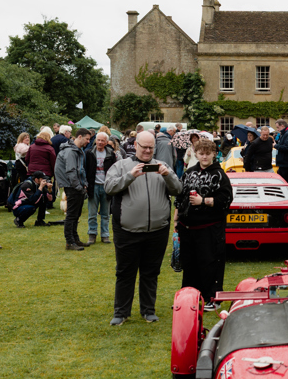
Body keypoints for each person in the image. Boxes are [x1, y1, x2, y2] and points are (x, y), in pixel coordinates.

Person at [104, 130, 183, 325]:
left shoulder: (162, 166)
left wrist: (167, 176)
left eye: (151, 147)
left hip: (157, 230)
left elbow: (178, 189)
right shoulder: (121, 166)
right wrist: (130, 176)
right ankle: (121, 312)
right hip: (127, 230)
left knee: (151, 271)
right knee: (125, 272)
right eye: (144, 147)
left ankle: (148, 310)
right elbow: (109, 187)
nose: (147, 151)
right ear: (135, 145)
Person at [177, 137, 233, 311]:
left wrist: (204, 201)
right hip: (187, 228)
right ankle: (188, 298)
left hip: (210, 228)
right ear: (196, 154)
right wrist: (176, 222)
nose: (204, 157)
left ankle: (212, 298)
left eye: (208, 154)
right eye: (201, 154)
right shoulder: (189, 172)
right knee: (189, 264)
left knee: (209, 263)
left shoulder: (220, 175)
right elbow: (179, 198)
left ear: (214, 154)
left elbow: (226, 199)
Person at [55, 128, 92, 251]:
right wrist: (78, 187)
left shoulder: (77, 150)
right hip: (72, 187)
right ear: (79, 137)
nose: (88, 141)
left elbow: (81, 170)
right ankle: (70, 242)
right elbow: (71, 171)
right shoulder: (71, 151)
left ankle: (75, 239)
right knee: (71, 215)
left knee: (76, 215)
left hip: (77, 186)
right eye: (87, 139)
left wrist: (84, 184)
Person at [86, 131, 116, 244]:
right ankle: (92, 234)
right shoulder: (89, 153)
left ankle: (105, 235)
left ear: (106, 142)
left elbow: (114, 170)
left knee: (105, 214)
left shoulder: (111, 154)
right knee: (92, 213)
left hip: (106, 186)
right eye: (98, 140)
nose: (100, 142)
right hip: (93, 186)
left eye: (102, 140)